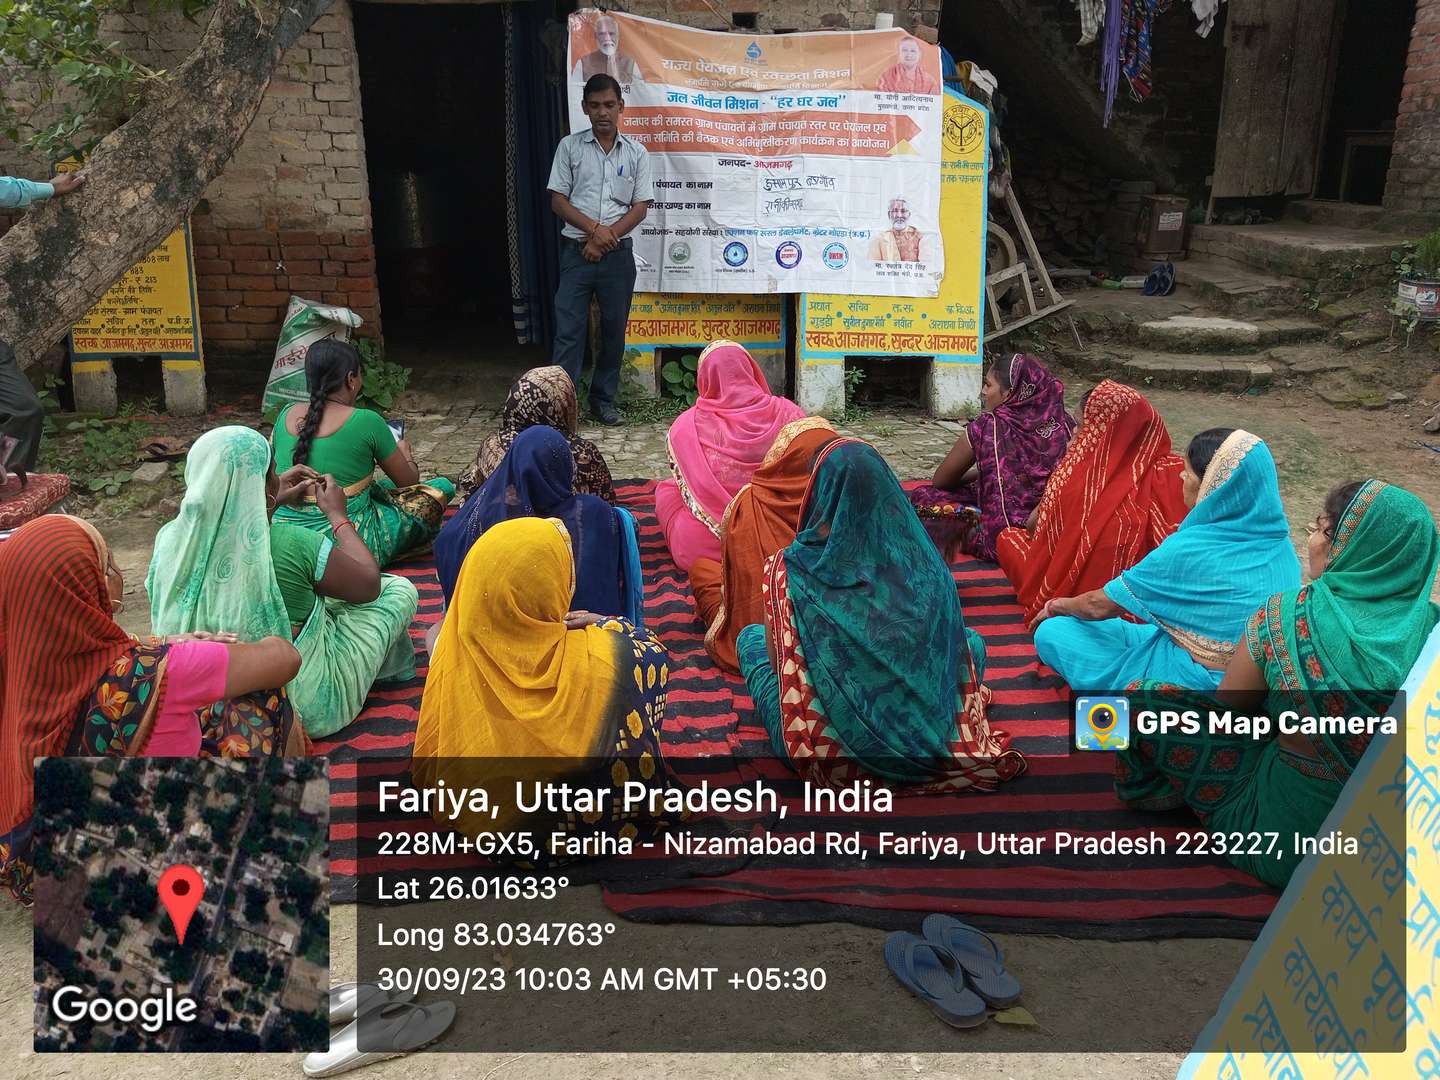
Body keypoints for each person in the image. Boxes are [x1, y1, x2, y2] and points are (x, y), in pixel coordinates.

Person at [1114, 480, 1439, 888]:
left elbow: (1229, 713)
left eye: (1322, 529)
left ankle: (1148, 793)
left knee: (1138, 702)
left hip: (1283, 845)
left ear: (1345, 547)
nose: (1313, 541)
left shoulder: (1285, 617)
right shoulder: (1433, 633)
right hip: (1394, 852)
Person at [0, 514, 304, 904]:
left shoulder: (18, 669)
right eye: (108, 565)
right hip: (153, 848)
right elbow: (285, 658)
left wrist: (158, 643)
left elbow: (93, 657)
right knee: (260, 700)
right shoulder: (154, 671)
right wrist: (188, 654)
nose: (117, 576)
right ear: (85, 588)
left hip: (51, 859)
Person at [737, 440, 1025, 791]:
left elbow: (779, 664)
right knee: (970, 645)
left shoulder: (789, 568)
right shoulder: (927, 563)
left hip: (831, 753)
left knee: (750, 640)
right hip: (930, 747)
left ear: (818, 493)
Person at [412, 517, 670, 863]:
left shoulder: (454, 654)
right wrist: (606, 622)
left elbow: (437, 636)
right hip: (584, 827)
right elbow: (654, 656)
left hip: (501, 833)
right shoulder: (605, 659)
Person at [148, 426, 420, 740]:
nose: (279, 477)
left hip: (197, 695)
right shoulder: (289, 543)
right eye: (273, 472)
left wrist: (270, 499)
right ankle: (388, 674)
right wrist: (337, 515)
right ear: (264, 488)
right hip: (298, 709)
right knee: (397, 590)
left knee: (318, 591)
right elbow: (369, 586)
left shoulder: (170, 540)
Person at [1031, 429, 1302, 693]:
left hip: (1197, 680)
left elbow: (1097, 606)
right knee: (1115, 630)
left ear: (1213, 487)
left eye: (1188, 473)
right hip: (1255, 680)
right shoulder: (1280, 544)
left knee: (1053, 631)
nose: (1181, 478)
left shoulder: (1192, 549)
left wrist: (1056, 605)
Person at [995, 380, 1187, 621]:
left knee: (1008, 538)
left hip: (1077, 600)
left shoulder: (1076, 476)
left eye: (1080, 426)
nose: (1074, 434)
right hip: (1150, 602)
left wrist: (1069, 465)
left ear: (1101, 431)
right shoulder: (1175, 470)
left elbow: (1035, 528)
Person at [270, 339, 453, 566]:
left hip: (283, 534)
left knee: (378, 487)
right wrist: (405, 455)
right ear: (351, 379)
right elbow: (407, 482)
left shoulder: (286, 414)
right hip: (348, 542)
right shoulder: (367, 421)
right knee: (441, 488)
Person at [435, 425, 642, 622]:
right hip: (578, 634)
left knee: (435, 632)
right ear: (565, 468)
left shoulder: (472, 522)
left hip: (487, 636)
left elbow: (448, 548)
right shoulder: (591, 514)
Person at [689, 417, 841, 674]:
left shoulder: (750, 503)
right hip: (836, 642)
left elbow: (737, 582)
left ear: (783, 459)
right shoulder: (845, 502)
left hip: (765, 642)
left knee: (702, 570)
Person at [548, 74, 654, 426]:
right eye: (594, 106)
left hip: (617, 257)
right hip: (576, 253)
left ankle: (602, 401)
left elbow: (640, 207)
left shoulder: (637, 153)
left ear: (621, 106)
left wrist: (605, 239)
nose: (602, 112)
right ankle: (563, 408)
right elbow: (558, 201)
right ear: (585, 108)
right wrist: (594, 231)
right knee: (569, 331)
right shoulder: (570, 148)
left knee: (613, 331)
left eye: (609, 105)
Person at [655, 340, 805, 572]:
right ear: (751, 370)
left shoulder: (684, 428)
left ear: (705, 378)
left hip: (706, 551)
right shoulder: (791, 414)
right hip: (782, 538)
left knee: (667, 491)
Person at [909, 353, 1075, 561]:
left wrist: (981, 472)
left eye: (988, 385)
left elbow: (942, 480)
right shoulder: (1065, 424)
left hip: (1000, 537)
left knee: (924, 497)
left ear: (1009, 393)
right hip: (1053, 528)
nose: (983, 391)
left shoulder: (987, 427)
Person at [458, 366, 615, 501]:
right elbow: (604, 503)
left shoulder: (491, 444)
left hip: (497, 523)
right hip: (561, 524)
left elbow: (475, 490)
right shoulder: (582, 453)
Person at [572, 14, 641, 87]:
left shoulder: (630, 63)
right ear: (596, 36)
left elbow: (639, 91)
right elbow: (574, 90)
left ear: (618, 35)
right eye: (602, 34)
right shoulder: (583, 63)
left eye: (611, 34)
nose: (607, 38)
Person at [866, 197, 938, 263]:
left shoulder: (920, 237)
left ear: (909, 214)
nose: (899, 215)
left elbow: (927, 266)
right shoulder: (879, 240)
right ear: (889, 215)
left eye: (903, 211)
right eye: (895, 211)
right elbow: (872, 267)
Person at [876, 35, 940, 94]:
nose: (909, 55)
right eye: (904, 50)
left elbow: (934, 101)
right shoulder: (886, 78)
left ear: (919, 54)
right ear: (899, 53)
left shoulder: (930, 82)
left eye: (913, 51)